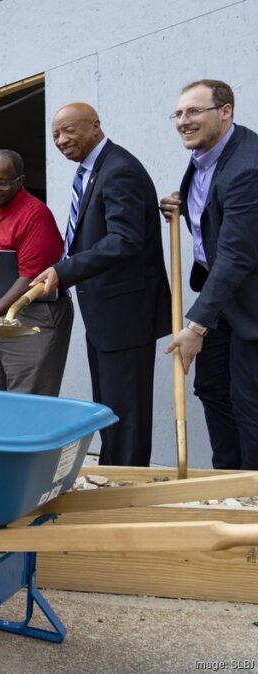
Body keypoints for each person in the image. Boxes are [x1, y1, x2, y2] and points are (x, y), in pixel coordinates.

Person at [33, 103, 171, 466]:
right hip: (105, 313)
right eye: (55, 135)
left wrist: (65, 270)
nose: (61, 140)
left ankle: (126, 480)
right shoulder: (93, 171)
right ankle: (113, 471)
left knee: (126, 408)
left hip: (126, 313)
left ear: (95, 126)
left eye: (69, 130)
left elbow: (125, 239)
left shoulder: (119, 169)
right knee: (110, 405)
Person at [161, 79, 258, 470]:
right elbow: (215, 209)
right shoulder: (205, 155)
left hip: (249, 300)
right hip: (221, 297)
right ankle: (226, 480)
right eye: (179, 113)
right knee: (212, 387)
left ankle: (251, 491)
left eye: (194, 111)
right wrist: (181, 205)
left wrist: (197, 326)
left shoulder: (248, 168)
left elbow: (236, 254)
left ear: (225, 111)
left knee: (249, 401)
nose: (183, 121)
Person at [0, 150, 72, 395]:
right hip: (0, 312)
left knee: (27, 398)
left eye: (2, 182)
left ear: (20, 181)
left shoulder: (34, 214)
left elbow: (30, 277)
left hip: (32, 313)